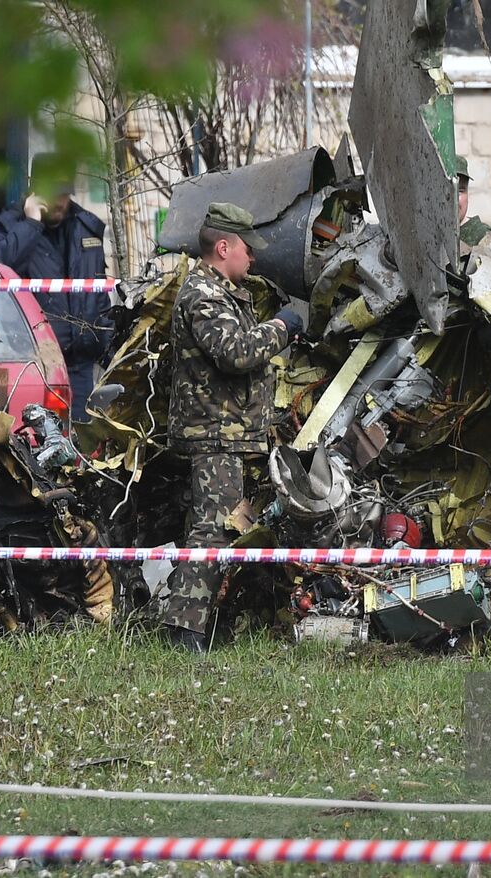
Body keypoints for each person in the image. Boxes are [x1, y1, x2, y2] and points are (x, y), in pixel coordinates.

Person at [160, 202, 304, 653]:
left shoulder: (223, 291)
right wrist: (281, 327)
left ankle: (197, 623)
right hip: (214, 432)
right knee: (214, 530)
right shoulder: (204, 294)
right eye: (246, 249)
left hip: (228, 430)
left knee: (210, 526)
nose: (253, 258)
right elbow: (236, 353)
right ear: (223, 247)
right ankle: (185, 634)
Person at [0, 152, 111, 423]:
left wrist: (105, 343)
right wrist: (31, 225)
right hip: (34, 364)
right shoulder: (10, 227)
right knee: (40, 440)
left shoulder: (85, 227)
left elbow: (98, 291)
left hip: (81, 361)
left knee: (83, 442)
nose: (60, 202)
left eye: (64, 194)